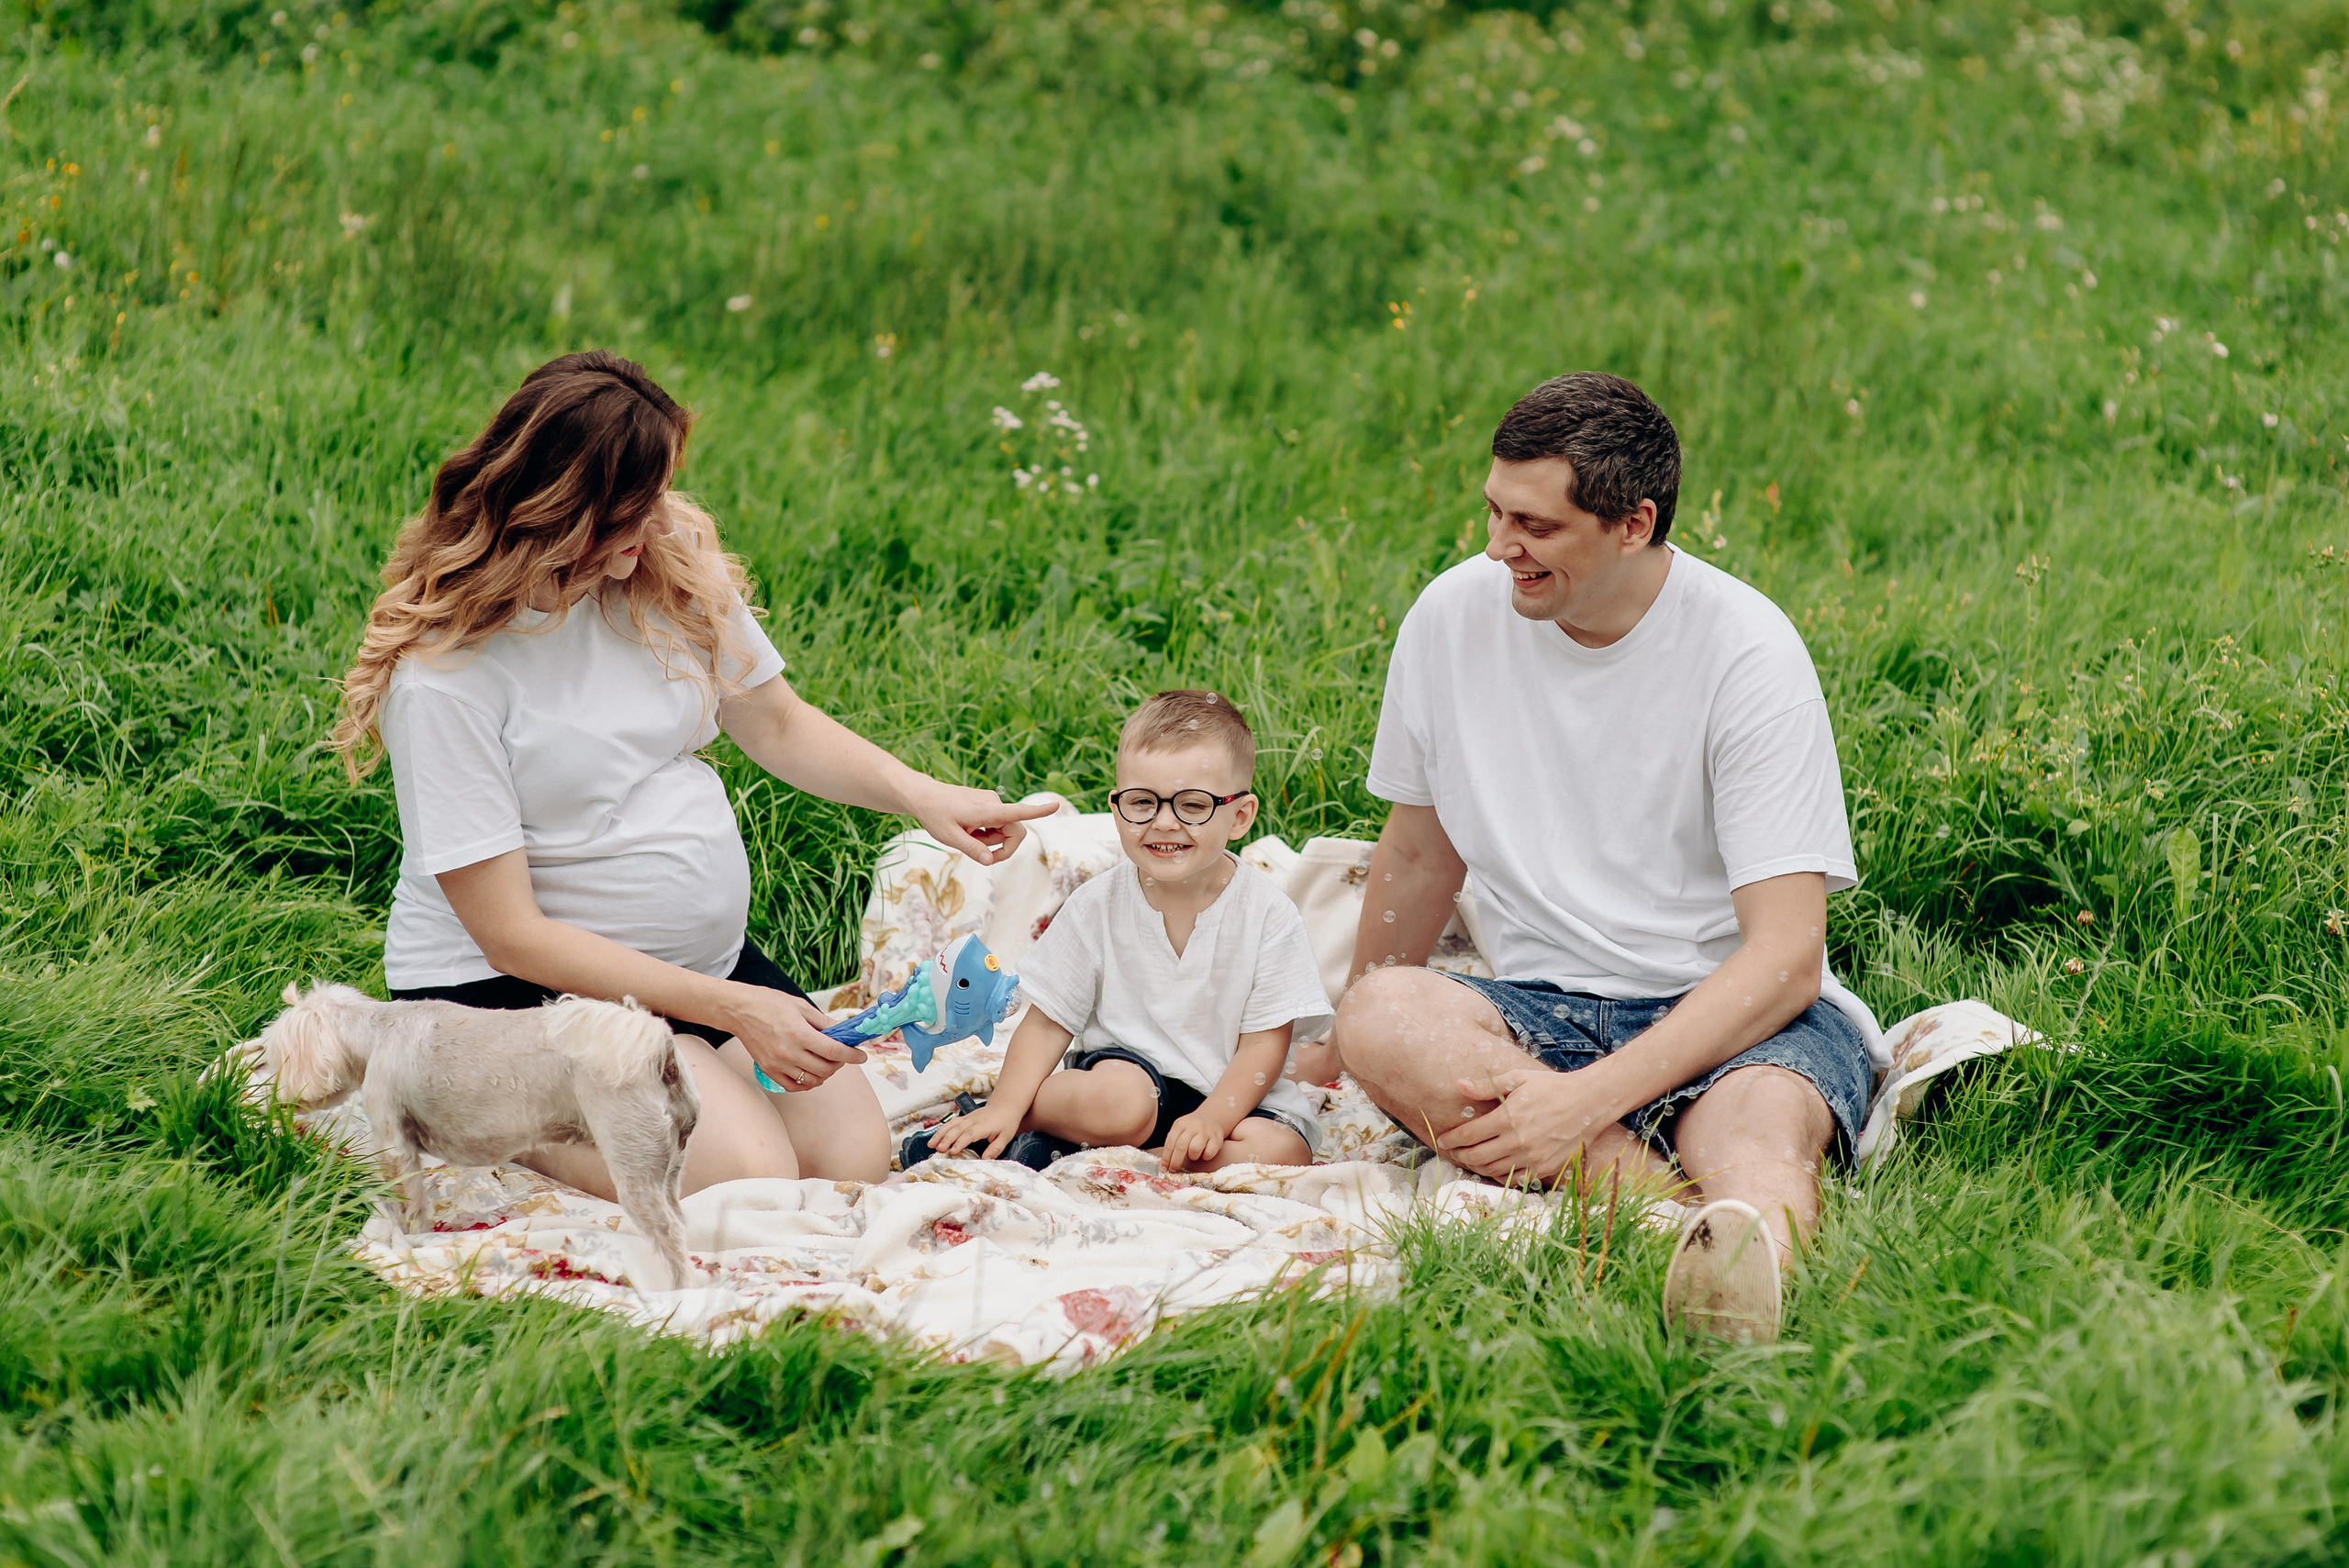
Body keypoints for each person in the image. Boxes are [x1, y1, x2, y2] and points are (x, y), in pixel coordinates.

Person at [330, 350, 1054, 1197]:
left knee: (848, 1162)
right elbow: (510, 934)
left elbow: (777, 721)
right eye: (627, 517)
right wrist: (735, 1013)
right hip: (517, 993)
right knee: (747, 1175)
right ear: (559, 512)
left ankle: (684, 1062)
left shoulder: (664, 569)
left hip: (699, 971)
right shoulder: (448, 676)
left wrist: (923, 796)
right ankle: (453, 1105)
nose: (649, 536)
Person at [1324, 372, 1881, 1343]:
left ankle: (1752, 1296)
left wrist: (1575, 1105)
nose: (1501, 547)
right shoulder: (1452, 617)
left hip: (1734, 1015)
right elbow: (1417, 856)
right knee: (1380, 1010)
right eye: (1494, 511)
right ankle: (1676, 1228)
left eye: (1535, 526)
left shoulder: (1748, 652)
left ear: (1633, 523)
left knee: (1748, 1130)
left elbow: (1785, 956)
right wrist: (1338, 1046)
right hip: (1540, 1002)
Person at [913, 691, 1329, 1173]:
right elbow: (1050, 1021)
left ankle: (1112, 1159)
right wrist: (1006, 1102)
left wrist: (1214, 1118)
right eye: (1142, 802)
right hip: (1129, 1076)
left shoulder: (1268, 915)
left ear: (1240, 816)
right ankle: (1002, 1121)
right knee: (1120, 1103)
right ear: (1116, 807)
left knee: (1282, 1151)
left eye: (1193, 805)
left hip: (1232, 1093)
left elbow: (1264, 1045)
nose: (1164, 822)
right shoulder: (1098, 904)